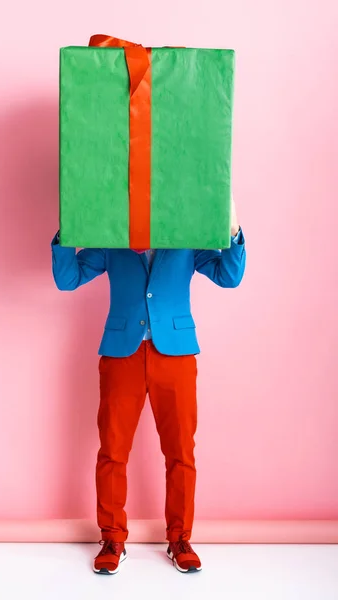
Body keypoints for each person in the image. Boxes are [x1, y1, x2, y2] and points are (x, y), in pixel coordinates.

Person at [51, 197, 246, 574]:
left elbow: (230, 276)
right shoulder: (111, 236)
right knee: (112, 450)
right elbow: (67, 278)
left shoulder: (189, 237)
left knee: (181, 453)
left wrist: (234, 232)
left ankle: (180, 539)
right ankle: (112, 538)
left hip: (174, 354)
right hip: (122, 353)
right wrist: (67, 231)